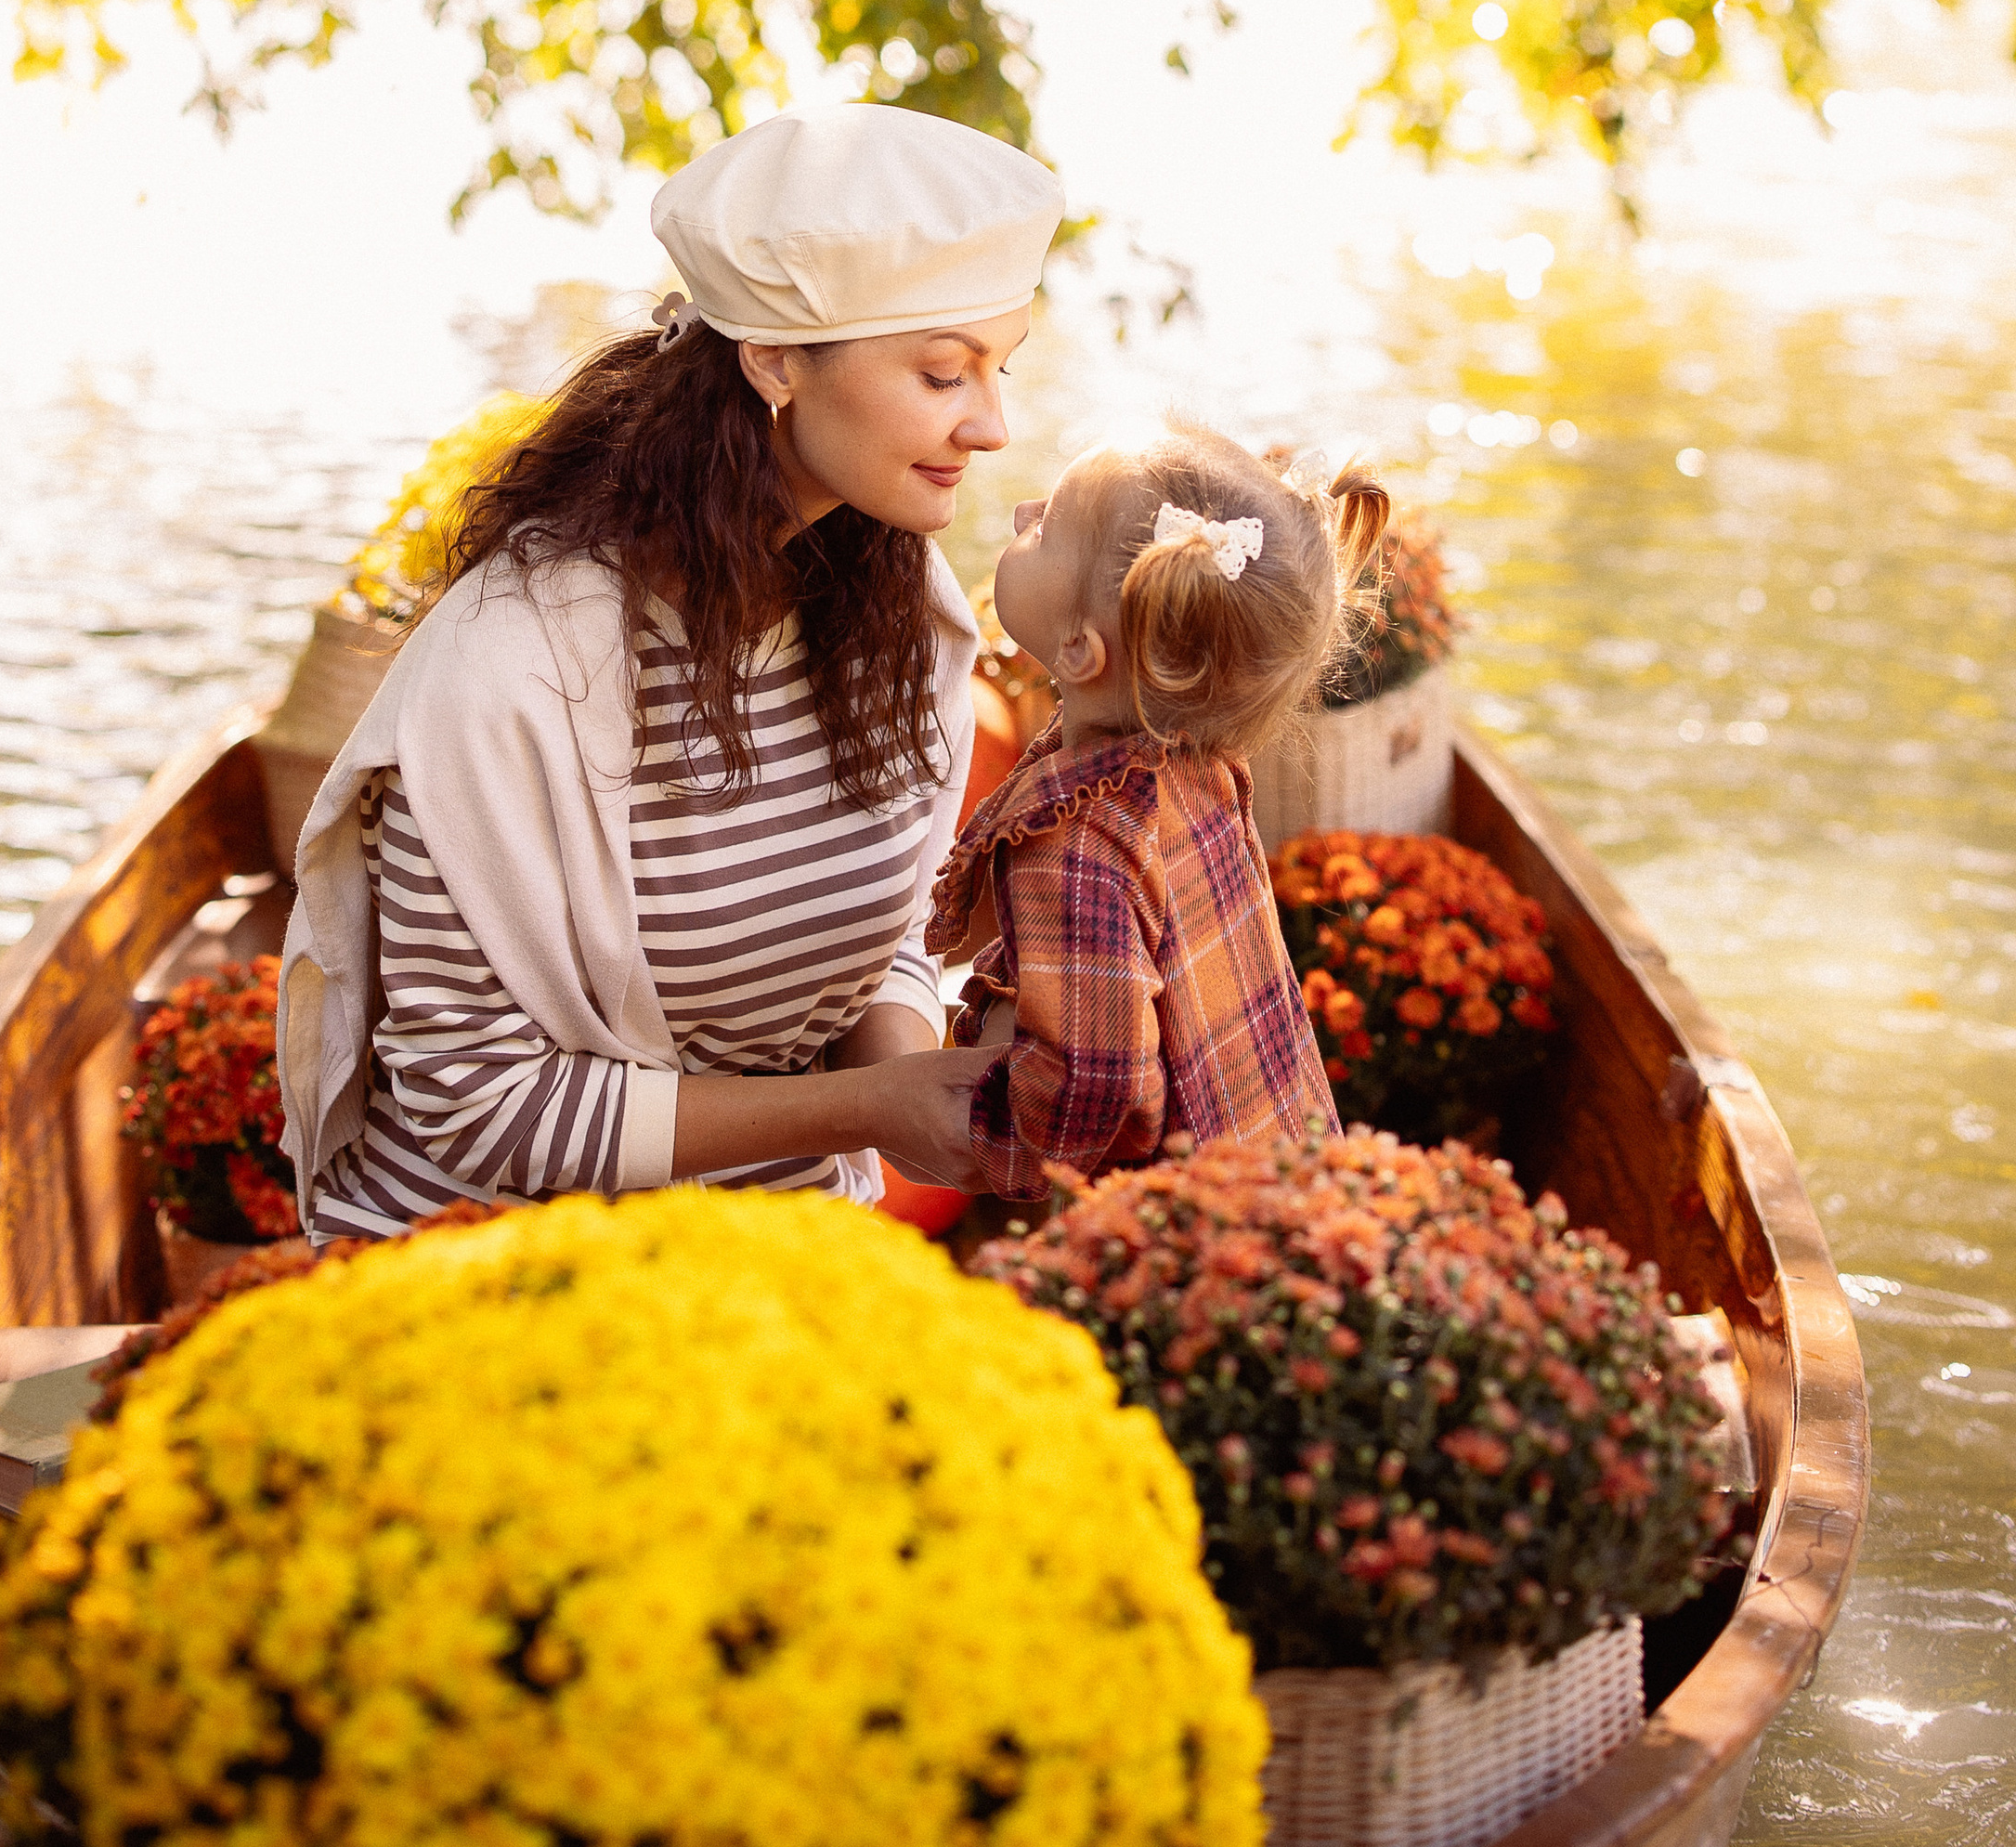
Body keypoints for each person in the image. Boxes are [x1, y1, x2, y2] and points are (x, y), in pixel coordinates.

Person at [277, 106, 1060, 1234]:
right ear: (777, 360)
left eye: (1001, 369)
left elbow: (886, 933)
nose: (991, 425)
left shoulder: (900, 607)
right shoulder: (515, 668)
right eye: (944, 374)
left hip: (779, 1252)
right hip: (496, 1270)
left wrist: (915, 1078)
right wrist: (865, 1107)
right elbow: (475, 1102)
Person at [927, 426, 1389, 1202]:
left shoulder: (1071, 845)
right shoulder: (1200, 765)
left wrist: (991, 1139)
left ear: (1079, 651)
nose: (1020, 513)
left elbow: (1097, 1085)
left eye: (1047, 528)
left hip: (1184, 1233)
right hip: (1285, 1177)